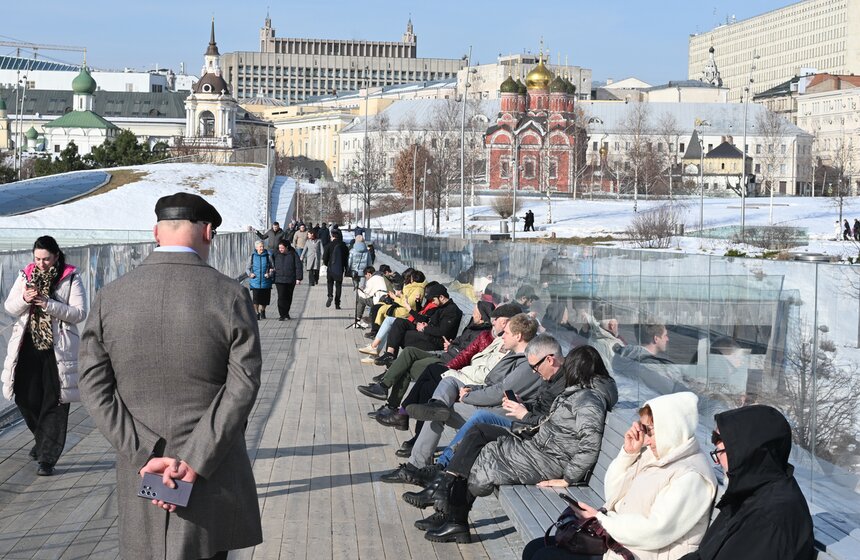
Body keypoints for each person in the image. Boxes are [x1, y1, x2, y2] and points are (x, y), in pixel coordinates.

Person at [78, 192, 262, 560]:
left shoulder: (110, 297)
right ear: (208, 232)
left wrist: (144, 452)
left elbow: (94, 388)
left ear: (156, 232)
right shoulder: (231, 296)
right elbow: (243, 385)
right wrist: (195, 458)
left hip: (141, 471)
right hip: (211, 473)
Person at [416, 344, 618, 543]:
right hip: (541, 449)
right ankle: (452, 513)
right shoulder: (580, 394)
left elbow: (589, 444)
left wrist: (568, 478)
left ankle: (452, 511)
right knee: (483, 448)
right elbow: (553, 424)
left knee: (485, 458)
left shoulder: (587, 399)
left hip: (549, 459)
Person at [522, 392, 717, 560]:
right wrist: (628, 454)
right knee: (535, 548)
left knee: (544, 557)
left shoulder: (692, 476)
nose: (646, 440)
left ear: (672, 430)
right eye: (643, 429)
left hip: (642, 553)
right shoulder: (656, 455)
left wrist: (602, 519)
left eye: (650, 431)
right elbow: (613, 494)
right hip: (620, 543)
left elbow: (657, 530)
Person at [382, 314, 541, 483]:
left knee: (437, 402)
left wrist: (469, 396)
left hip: (495, 415)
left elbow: (499, 392)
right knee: (440, 402)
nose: (503, 336)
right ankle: (420, 457)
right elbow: (492, 385)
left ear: (518, 336)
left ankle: (417, 467)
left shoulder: (528, 363)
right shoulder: (514, 355)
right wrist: (472, 389)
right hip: (486, 406)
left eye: (507, 333)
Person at [679, 405, 814, 560]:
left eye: (721, 453)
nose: (717, 463)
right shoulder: (749, 493)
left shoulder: (770, 518)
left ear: (747, 454)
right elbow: (704, 555)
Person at [1, 236, 87, 476]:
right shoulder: (25, 275)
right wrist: (24, 299)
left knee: (55, 401)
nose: (41, 263)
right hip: (27, 347)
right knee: (24, 397)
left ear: (56, 256)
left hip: (57, 349)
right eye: (37, 258)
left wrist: (48, 304)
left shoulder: (71, 277)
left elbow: (79, 313)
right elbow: (10, 307)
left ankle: (47, 458)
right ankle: (42, 440)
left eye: (46, 259)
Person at [375, 284, 463, 365]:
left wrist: (425, 329)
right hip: (429, 332)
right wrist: (426, 324)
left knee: (401, 335)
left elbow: (443, 332)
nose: (432, 302)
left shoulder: (452, 310)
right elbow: (429, 319)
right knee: (398, 323)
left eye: (433, 299)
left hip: (437, 341)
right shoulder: (441, 307)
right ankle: (389, 354)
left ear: (441, 297)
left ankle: (390, 369)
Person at [272, 239, 303, 321]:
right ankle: (282, 314)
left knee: (289, 297)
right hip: (279, 279)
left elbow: (298, 266)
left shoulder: (293, 254)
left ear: (287, 247)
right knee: (281, 297)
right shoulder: (276, 254)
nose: (280, 249)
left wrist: (298, 278)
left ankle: (286, 313)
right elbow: (270, 263)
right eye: (279, 248)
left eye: (282, 248)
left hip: (290, 280)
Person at [322, 229, 349, 309]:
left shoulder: (328, 245)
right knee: (338, 285)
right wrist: (345, 267)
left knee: (330, 282)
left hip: (331, 268)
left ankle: (330, 295)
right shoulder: (344, 245)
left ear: (332, 236)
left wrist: (328, 264)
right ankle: (337, 304)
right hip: (340, 268)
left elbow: (324, 258)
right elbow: (346, 258)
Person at [247, 239, 275, 319]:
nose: (262, 248)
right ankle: (257, 313)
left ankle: (263, 310)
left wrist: (270, 274)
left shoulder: (268, 256)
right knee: (255, 300)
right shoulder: (252, 257)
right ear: (256, 248)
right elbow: (247, 268)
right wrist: (250, 274)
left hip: (266, 282)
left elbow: (273, 268)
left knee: (265, 300)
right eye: (260, 247)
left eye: (262, 246)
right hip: (255, 282)